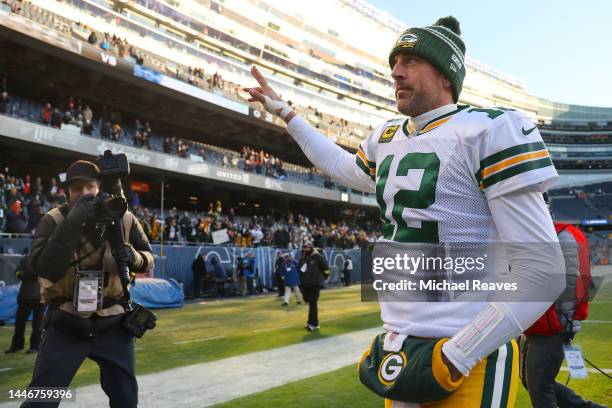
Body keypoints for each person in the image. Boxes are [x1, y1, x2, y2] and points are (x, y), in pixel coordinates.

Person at [246, 16, 565, 407]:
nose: (396, 72)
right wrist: (288, 116)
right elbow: (340, 166)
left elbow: (543, 270)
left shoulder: (490, 129)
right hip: (398, 350)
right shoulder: (386, 137)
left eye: (410, 61)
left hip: (470, 352)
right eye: (394, 61)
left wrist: (458, 354)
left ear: (447, 75)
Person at [24, 160, 154, 408]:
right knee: (38, 402)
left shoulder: (124, 218)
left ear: (100, 188)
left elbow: (149, 257)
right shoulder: (53, 220)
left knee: (126, 402)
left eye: (90, 187)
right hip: (66, 324)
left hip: (114, 324)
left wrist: (135, 258)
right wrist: (74, 221)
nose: (84, 193)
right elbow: (43, 267)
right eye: (76, 189)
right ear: (66, 193)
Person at [521, 218, 606, 408]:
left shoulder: (561, 236)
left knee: (540, 386)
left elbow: (570, 283)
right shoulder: (558, 234)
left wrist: (566, 318)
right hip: (542, 323)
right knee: (533, 381)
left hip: (553, 325)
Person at [5, 255, 43, 354]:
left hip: (37, 296)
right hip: (28, 296)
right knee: (21, 322)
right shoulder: (27, 258)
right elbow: (18, 273)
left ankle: (33, 345)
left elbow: (19, 273)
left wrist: (26, 274)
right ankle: (21, 345)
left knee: (36, 323)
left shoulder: (40, 258)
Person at [297, 242, 329, 330]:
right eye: (304, 247)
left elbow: (326, 269)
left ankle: (311, 323)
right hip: (306, 284)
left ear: (311, 248)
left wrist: (321, 279)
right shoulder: (302, 259)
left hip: (316, 284)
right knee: (307, 300)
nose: (305, 249)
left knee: (312, 302)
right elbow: (299, 271)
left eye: (307, 247)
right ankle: (315, 323)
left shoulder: (318, 257)